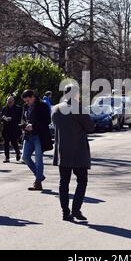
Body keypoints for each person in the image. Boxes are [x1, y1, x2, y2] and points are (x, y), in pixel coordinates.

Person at [52, 84, 95, 221]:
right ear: (75, 94)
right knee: (82, 181)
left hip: (62, 151)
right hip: (78, 152)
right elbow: (90, 127)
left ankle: (65, 212)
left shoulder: (55, 109)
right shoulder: (78, 108)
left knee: (63, 182)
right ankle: (76, 209)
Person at [21, 90, 53, 191]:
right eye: (25, 101)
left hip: (39, 136)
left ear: (33, 96)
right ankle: (39, 176)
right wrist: (24, 125)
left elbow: (47, 120)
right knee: (25, 157)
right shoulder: (26, 106)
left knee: (38, 159)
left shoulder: (42, 106)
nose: (27, 102)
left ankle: (38, 183)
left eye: (28, 100)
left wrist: (33, 126)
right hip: (28, 135)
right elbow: (24, 119)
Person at [1, 96, 23, 163]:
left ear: (13, 101)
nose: (9, 103)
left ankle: (18, 152)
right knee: (6, 143)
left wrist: (11, 118)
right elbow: (1, 116)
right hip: (6, 128)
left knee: (14, 142)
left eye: (10, 102)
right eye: (8, 102)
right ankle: (7, 157)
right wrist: (3, 118)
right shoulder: (4, 108)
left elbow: (19, 118)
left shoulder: (18, 108)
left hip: (14, 128)